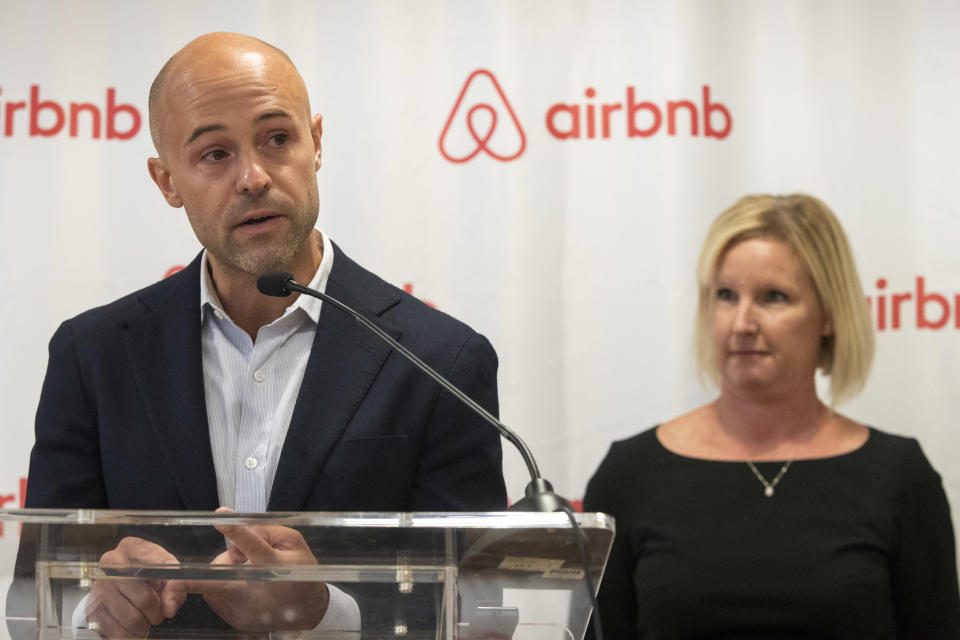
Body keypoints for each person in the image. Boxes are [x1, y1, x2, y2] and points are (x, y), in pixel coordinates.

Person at [15, 32, 507, 636]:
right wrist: (94, 607)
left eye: (278, 139)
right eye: (214, 154)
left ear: (316, 143)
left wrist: (324, 614)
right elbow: (36, 595)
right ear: (166, 181)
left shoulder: (439, 360)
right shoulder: (92, 357)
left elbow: (479, 612)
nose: (253, 177)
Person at [585, 194, 960, 638]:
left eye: (773, 297)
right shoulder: (629, 476)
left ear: (828, 314)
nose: (742, 322)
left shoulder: (899, 478)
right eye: (725, 295)